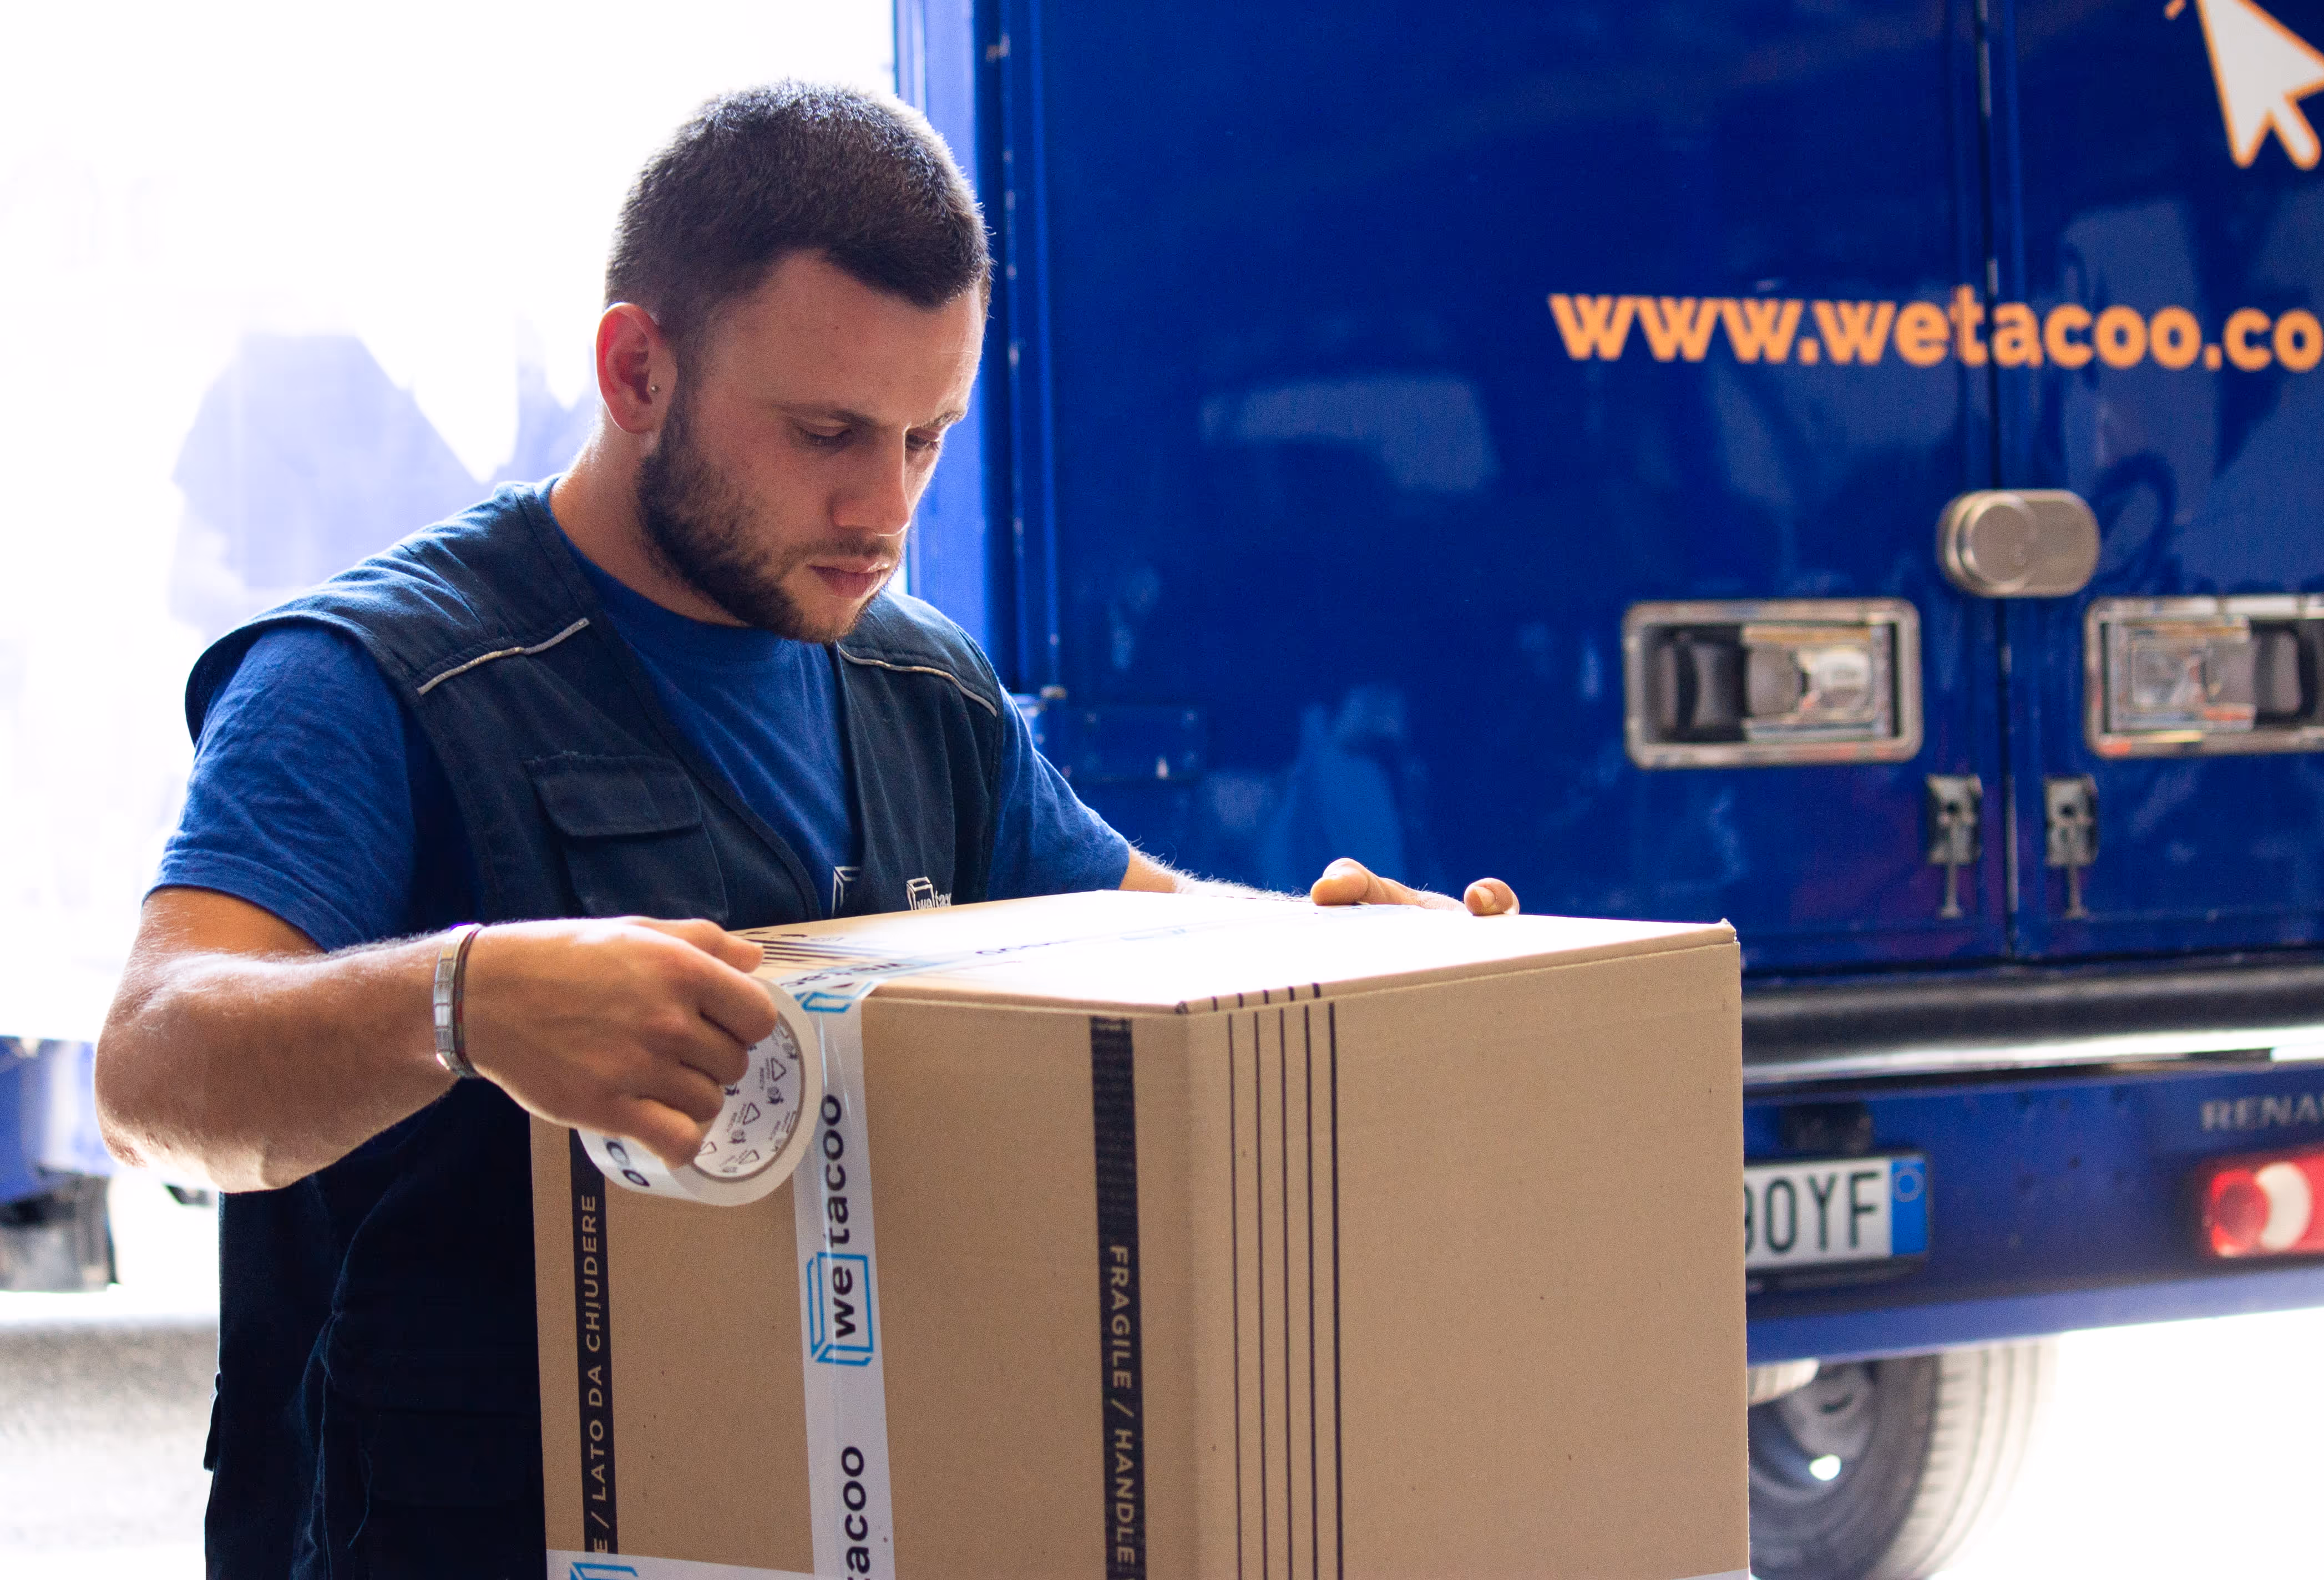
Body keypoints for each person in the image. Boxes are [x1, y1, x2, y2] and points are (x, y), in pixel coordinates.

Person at [93, 81, 1516, 1579]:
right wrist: (464, 1001)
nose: (884, 507)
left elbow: (1139, 931)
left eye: (927, 437)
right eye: (827, 432)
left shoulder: (919, 686)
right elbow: (150, 1071)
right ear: (638, 369)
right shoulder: (373, 679)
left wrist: (1329, 949)